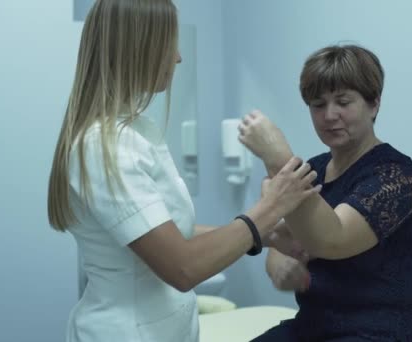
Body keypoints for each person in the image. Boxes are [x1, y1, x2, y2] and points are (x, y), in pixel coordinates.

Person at [46, 1, 320, 341]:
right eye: (169, 44)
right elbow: (182, 267)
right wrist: (272, 206)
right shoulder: (104, 147)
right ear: (139, 47)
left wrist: (264, 236)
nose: (177, 57)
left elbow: (171, 234)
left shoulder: (134, 132)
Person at [238, 44, 412, 341]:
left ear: (374, 104)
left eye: (343, 102)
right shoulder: (313, 170)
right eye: (318, 105)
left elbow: (331, 239)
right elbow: (279, 236)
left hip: (383, 329)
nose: (329, 115)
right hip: (315, 325)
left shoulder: (396, 175)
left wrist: (277, 156)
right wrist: (281, 262)